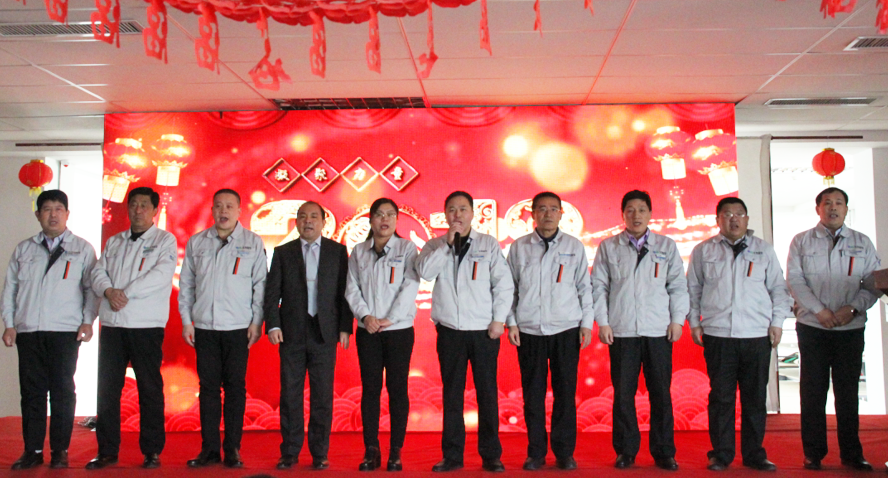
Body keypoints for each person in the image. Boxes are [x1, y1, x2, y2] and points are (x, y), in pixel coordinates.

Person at [687, 197, 792, 472]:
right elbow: (693, 290)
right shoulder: (703, 250)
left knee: (754, 398)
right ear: (717, 220)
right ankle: (721, 454)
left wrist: (777, 323)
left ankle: (754, 454)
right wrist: (694, 323)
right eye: (727, 214)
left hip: (756, 334)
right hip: (718, 334)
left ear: (746, 219)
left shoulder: (763, 250)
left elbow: (778, 289)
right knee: (721, 398)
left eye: (738, 214)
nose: (733, 218)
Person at [1, 189, 99, 470]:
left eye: (58, 209)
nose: (53, 215)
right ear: (38, 214)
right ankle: (32, 450)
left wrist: (87, 321)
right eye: (47, 209)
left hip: (65, 331)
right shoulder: (24, 249)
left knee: (62, 391)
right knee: (31, 393)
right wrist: (9, 324)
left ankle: (60, 451)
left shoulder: (82, 249)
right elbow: (10, 290)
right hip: (29, 330)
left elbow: (91, 290)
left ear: (67, 214)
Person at [591, 190, 688, 471]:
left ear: (650, 214)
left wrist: (677, 320)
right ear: (623, 214)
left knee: (661, 394)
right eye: (630, 210)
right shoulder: (609, 247)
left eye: (642, 210)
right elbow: (599, 287)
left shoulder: (666, 246)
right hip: (622, 331)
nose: (636, 215)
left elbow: (677, 286)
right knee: (623, 395)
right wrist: (603, 322)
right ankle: (626, 451)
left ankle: (664, 452)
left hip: (658, 330)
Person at [417, 191, 513, 473]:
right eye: (451, 210)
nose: (457, 214)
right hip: (450, 332)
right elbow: (425, 273)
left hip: (484, 331)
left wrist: (499, 320)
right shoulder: (435, 244)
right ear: (445, 214)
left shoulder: (488, 244)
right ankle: (452, 456)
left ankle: (491, 455)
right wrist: (447, 244)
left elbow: (503, 285)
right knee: (452, 395)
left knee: (487, 394)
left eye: (462, 209)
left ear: (472, 213)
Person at [786, 187, 881, 471]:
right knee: (813, 391)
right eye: (827, 203)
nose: (833, 207)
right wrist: (820, 311)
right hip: (813, 327)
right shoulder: (802, 241)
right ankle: (813, 453)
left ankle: (852, 453)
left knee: (848, 392)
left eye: (839, 203)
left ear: (846, 209)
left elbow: (873, 284)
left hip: (850, 327)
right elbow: (795, 280)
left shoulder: (862, 242)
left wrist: (851, 309)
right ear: (818, 209)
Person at [86, 187, 177, 470]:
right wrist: (108, 291)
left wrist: (124, 293)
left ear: (155, 210)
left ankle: (151, 451)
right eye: (133, 205)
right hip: (113, 325)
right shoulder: (115, 241)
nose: (138, 210)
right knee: (107, 390)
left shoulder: (165, 240)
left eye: (144, 205)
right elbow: (97, 272)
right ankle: (107, 451)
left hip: (145, 325)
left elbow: (160, 275)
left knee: (149, 389)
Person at [178, 189, 267, 469]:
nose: (223, 211)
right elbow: (186, 284)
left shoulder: (252, 242)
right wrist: (186, 321)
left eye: (229, 206)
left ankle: (233, 449)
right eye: (218, 206)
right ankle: (209, 449)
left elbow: (260, 286)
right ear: (212, 210)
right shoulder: (197, 242)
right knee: (207, 389)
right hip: (204, 326)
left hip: (238, 328)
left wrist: (257, 322)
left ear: (239, 211)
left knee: (235, 388)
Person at [506, 191, 593, 471]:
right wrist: (511, 322)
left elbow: (584, 288)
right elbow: (509, 290)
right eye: (541, 209)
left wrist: (586, 323)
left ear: (560, 214)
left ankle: (564, 453)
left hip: (566, 329)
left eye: (553, 209)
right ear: (532, 214)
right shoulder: (519, 247)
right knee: (533, 395)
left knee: (565, 394)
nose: (547, 214)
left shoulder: (574, 246)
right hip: (529, 330)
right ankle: (536, 453)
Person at [264, 201, 352, 470]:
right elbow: (272, 293)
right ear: (296, 222)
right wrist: (273, 325)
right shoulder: (283, 252)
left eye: (314, 216)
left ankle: (319, 452)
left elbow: (345, 292)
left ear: (324, 222)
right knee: (290, 394)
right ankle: (289, 451)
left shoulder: (337, 252)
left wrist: (345, 327)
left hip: (325, 332)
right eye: (302, 217)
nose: (308, 221)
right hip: (291, 333)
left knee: (322, 395)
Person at [345, 198, 420, 472]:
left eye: (390, 214)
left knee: (397, 389)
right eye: (379, 214)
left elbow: (410, 285)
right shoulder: (359, 251)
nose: (384, 219)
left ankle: (395, 451)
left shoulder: (407, 248)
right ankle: (371, 449)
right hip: (368, 332)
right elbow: (352, 288)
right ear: (370, 220)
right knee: (370, 390)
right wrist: (366, 317)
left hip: (398, 331)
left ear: (396, 220)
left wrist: (390, 318)